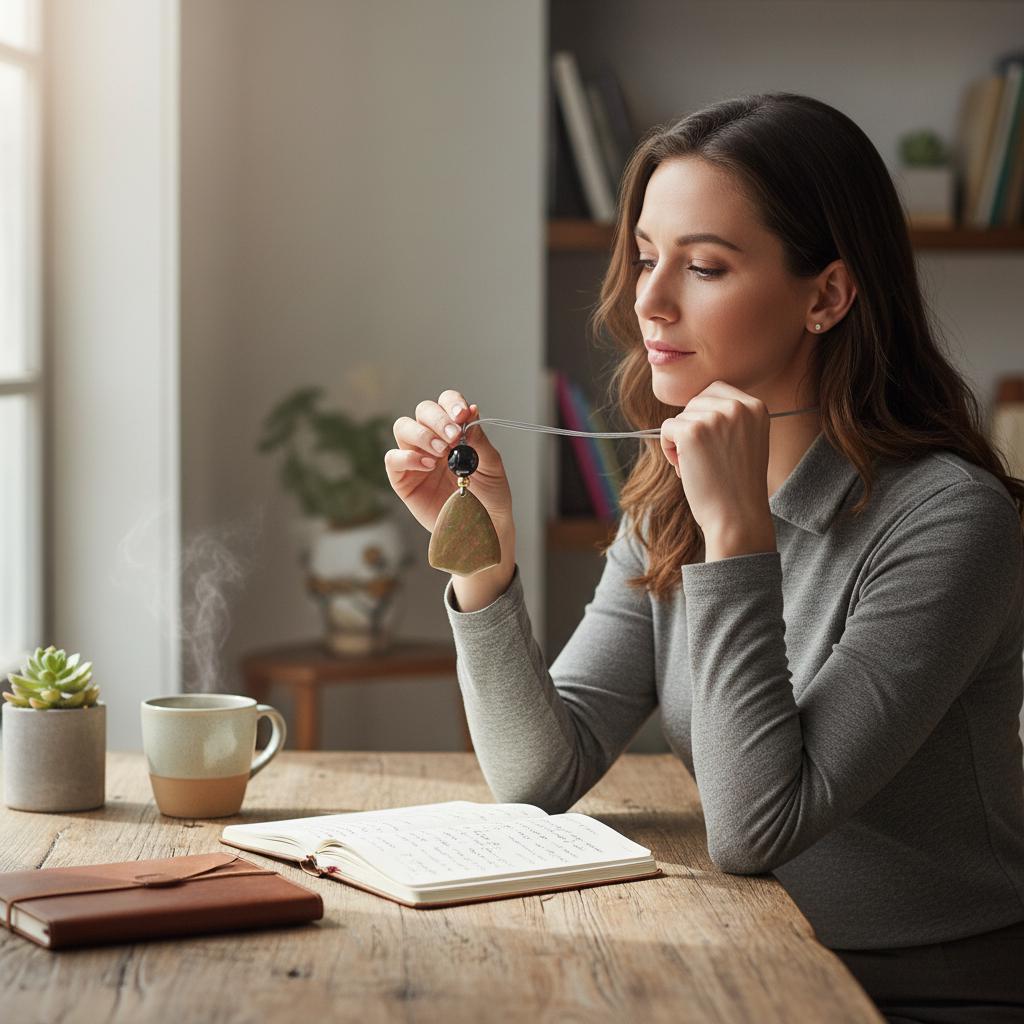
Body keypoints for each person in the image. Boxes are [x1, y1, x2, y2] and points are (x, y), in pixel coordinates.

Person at [384, 92, 1024, 1023]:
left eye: (705, 266)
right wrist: (482, 556)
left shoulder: (950, 521)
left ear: (827, 296)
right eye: (647, 256)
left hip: (925, 992)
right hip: (746, 964)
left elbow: (758, 827)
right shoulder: (669, 492)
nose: (648, 300)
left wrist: (737, 539)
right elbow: (538, 778)